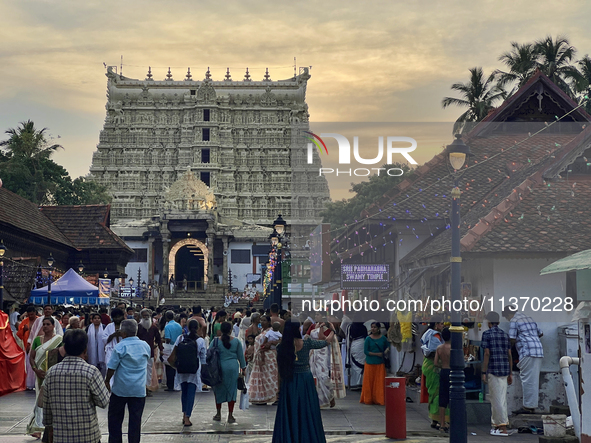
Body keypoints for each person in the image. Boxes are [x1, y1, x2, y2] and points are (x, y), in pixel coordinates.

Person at [42, 329, 109, 443]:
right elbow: (103, 402)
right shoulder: (91, 372)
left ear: (65, 348)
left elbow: (47, 410)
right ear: (85, 349)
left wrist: (49, 425)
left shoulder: (51, 373)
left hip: (61, 436)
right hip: (88, 435)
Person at [273, 321, 332, 443]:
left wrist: (278, 389)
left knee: (291, 411)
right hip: (305, 380)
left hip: (289, 380)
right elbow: (324, 342)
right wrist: (332, 331)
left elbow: (279, 371)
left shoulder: (281, 347)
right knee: (307, 410)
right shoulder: (306, 343)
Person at [105, 319, 151, 443]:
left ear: (123, 333)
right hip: (139, 389)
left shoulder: (120, 346)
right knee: (135, 421)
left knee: (115, 419)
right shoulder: (145, 345)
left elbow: (111, 367)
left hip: (121, 389)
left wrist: (107, 381)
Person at [26, 317, 63, 438]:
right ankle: (37, 428)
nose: (45, 326)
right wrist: (35, 370)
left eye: (48, 324)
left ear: (53, 326)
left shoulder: (59, 340)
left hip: (53, 375)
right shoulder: (37, 340)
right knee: (39, 399)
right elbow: (31, 357)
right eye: (44, 324)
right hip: (39, 375)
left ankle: (50, 428)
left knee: (51, 401)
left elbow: (62, 356)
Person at [503, 306, 543, 414]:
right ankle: (531, 406)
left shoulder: (514, 320)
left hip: (527, 352)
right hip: (538, 350)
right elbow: (541, 333)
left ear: (508, 314)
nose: (507, 319)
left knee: (526, 380)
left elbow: (512, 338)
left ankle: (527, 407)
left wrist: (508, 350)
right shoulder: (529, 318)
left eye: (506, 317)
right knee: (533, 380)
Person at [482, 311, 513, 436]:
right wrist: (510, 372)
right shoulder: (505, 335)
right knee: (502, 398)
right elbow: (509, 355)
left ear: (488, 322)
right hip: (505, 370)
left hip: (493, 370)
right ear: (498, 322)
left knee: (496, 399)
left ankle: (501, 426)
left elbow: (487, 353)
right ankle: (498, 424)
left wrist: (483, 371)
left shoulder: (486, 334)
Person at [170, 319, 206, 426]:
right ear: (198, 328)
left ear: (188, 328)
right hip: (193, 370)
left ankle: (184, 414)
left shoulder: (180, 338)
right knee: (191, 393)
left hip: (181, 369)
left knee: (184, 392)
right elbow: (203, 357)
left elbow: (174, 352)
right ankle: (187, 417)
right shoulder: (200, 341)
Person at [210, 321, 246, 423]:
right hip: (233, 368)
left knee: (219, 390)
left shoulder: (216, 341)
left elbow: (209, 353)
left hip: (219, 368)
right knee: (232, 390)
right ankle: (230, 415)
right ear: (231, 330)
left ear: (221, 330)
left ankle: (218, 413)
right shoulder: (236, 342)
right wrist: (243, 368)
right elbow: (241, 357)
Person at [308, 314, 346, 408]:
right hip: (313, 352)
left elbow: (323, 339)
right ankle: (317, 400)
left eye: (318, 314)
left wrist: (321, 328)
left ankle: (330, 396)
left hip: (322, 352)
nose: (316, 316)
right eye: (315, 314)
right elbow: (307, 336)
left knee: (323, 375)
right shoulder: (313, 325)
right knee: (314, 375)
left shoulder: (328, 326)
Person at [420, 316, 445, 429]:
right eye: (440, 323)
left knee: (432, 392)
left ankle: (434, 420)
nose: (442, 325)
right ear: (435, 325)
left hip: (426, 364)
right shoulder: (435, 335)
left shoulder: (427, 332)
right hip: (433, 365)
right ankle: (439, 419)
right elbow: (436, 351)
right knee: (437, 392)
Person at [249, 315, 280, 405]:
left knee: (270, 377)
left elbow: (279, 340)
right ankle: (262, 397)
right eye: (261, 320)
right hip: (260, 357)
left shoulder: (272, 331)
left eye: (264, 320)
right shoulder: (263, 331)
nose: (262, 322)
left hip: (268, 357)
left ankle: (275, 396)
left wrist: (271, 343)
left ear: (269, 322)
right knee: (262, 377)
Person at [360, 322, 389, 405]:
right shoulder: (368, 339)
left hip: (380, 363)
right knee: (369, 382)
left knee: (380, 382)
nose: (373, 329)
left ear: (379, 328)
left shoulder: (383, 338)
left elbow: (388, 346)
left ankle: (379, 399)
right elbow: (366, 351)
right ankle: (368, 399)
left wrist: (386, 351)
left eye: (375, 327)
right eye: (372, 327)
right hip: (370, 362)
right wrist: (377, 354)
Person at [138, 308, 163, 396]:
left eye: (147, 316)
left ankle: (147, 388)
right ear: (141, 316)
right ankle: (141, 388)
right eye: (144, 316)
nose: (146, 317)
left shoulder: (153, 328)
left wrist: (161, 349)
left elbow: (159, 339)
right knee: (141, 370)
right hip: (139, 353)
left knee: (149, 371)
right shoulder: (138, 327)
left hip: (150, 352)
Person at [434, 327, 451, 433]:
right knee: (453, 397)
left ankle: (442, 423)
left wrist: (442, 365)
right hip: (453, 373)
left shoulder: (439, 348)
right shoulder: (454, 348)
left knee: (442, 398)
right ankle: (453, 421)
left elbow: (435, 363)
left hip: (443, 372)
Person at [17, 305, 38, 390]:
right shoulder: (25, 321)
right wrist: (24, 330)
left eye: (32, 314)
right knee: (28, 366)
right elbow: (19, 335)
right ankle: (29, 384)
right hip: (27, 346)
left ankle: (36, 383)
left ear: (35, 313)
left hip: (37, 345)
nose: (30, 316)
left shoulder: (39, 320)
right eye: (29, 315)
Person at [346, 317, 368, 390]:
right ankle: (361, 383)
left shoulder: (350, 327)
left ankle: (354, 383)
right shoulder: (364, 327)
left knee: (354, 363)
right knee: (362, 363)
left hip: (355, 344)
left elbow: (349, 338)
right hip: (362, 344)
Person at [164, 310, 183, 391]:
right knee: (176, 366)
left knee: (169, 366)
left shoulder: (167, 326)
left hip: (170, 347)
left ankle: (170, 385)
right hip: (178, 346)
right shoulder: (178, 325)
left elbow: (168, 339)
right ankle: (177, 384)